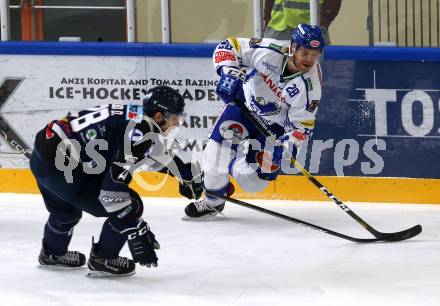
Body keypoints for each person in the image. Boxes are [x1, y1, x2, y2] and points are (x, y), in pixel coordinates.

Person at [30, 85, 203, 277]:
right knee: (131, 205)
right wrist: (134, 227)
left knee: (65, 212)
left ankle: (52, 253)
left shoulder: (137, 117)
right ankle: (104, 259)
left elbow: (149, 152)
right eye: (174, 118)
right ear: (159, 116)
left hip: (43, 155)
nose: (177, 123)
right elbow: (111, 193)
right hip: (62, 169)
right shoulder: (139, 133)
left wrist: (183, 173)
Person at [183, 24, 324, 219]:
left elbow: (302, 126)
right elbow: (230, 45)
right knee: (214, 160)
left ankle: (235, 160)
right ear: (293, 47)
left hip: (274, 128)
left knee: (256, 183)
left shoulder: (311, 88)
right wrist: (228, 72)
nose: (309, 59)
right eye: (305, 52)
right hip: (244, 109)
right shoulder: (269, 50)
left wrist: (288, 146)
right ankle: (213, 203)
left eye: (315, 54)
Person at [263, 0, 342, 44]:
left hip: (311, 28)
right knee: (270, 67)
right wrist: (267, 20)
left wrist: (323, 24)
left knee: (311, 69)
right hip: (278, 25)